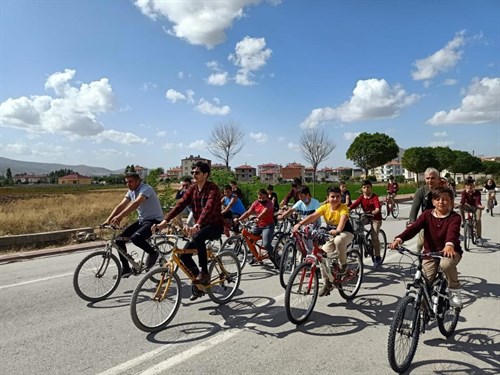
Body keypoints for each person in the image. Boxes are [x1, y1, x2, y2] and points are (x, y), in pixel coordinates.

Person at [153, 161, 224, 301]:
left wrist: (197, 224)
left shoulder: (213, 189)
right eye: (192, 172)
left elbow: (207, 209)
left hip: (214, 226)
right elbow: (180, 205)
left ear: (205, 174)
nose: (193, 175)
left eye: (197, 172)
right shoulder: (192, 188)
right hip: (201, 226)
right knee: (184, 256)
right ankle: (199, 285)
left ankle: (204, 272)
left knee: (198, 237)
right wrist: (164, 222)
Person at [390, 186, 463, 308]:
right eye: (437, 199)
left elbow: (453, 232)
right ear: (433, 201)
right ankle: (422, 313)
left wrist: (449, 245)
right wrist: (399, 239)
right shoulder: (427, 215)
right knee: (425, 282)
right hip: (430, 252)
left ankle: (454, 291)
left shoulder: (455, 217)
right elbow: (414, 228)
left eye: (445, 199)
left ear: (451, 201)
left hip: (450, 252)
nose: (441, 202)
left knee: (446, 265)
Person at [293, 186, 354, 297]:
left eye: (338, 196)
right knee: (322, 254)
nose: (335, 199)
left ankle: (343, 264)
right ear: (328, 198)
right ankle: (327, 284)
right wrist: (300, 224)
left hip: (345, 233)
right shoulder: (325, 207)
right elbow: (313, 216)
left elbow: (343, 219)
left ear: (341, 197)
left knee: (339, 240)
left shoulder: (343, 207)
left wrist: (338, 230)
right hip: (331, 234)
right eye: (332, 197)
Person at [104, 172, 163, 278]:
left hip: (154, 220)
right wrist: (108, 220)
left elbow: (136, 204)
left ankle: (154, 253)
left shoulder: (145, 189)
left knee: (136, 238)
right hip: (142, 221)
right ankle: (126, 269)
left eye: (130, 181)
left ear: (138, 181)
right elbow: (120, 206)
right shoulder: (131, 192)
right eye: (126, 182)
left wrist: (120, 217)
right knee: (119, 240)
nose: (128, 184)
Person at [235, 188, 276, 266]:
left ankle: (274, 256)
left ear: (267, 197)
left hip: (268, 226)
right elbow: (248, 212)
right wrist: (239, 219)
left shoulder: (269, 203)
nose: (261, 199)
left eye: (263, 197)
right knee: (250, 240)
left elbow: (265, 211)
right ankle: (255, 256)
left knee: (266, 244)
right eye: (259, 197)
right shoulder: (256, 203)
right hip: (258, 225)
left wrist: (258, 218)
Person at [349, 180, 384, 268]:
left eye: (368, 187)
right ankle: (360, 240)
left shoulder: (374, 197)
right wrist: (347, 209)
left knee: (374, 237)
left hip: (376, 218)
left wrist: (376, 210)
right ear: (362, 189)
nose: (366, 189)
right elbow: (354, 204)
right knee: (357, 224)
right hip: (366, 217)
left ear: (371, 188)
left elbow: (377, 206)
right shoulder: (361, 197)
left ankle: (377, 257)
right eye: (364, 187)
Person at [408, 167, 440, 251]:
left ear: (438, 179)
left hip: (442, 220)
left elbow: (449, 207)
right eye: (428, 178)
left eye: (433, 178)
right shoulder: (420, 191)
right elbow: (414, 208)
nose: (430, 180)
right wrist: (412, 221)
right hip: (426, 221)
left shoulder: (444, 191)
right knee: (420, 244)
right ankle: (419, 260)